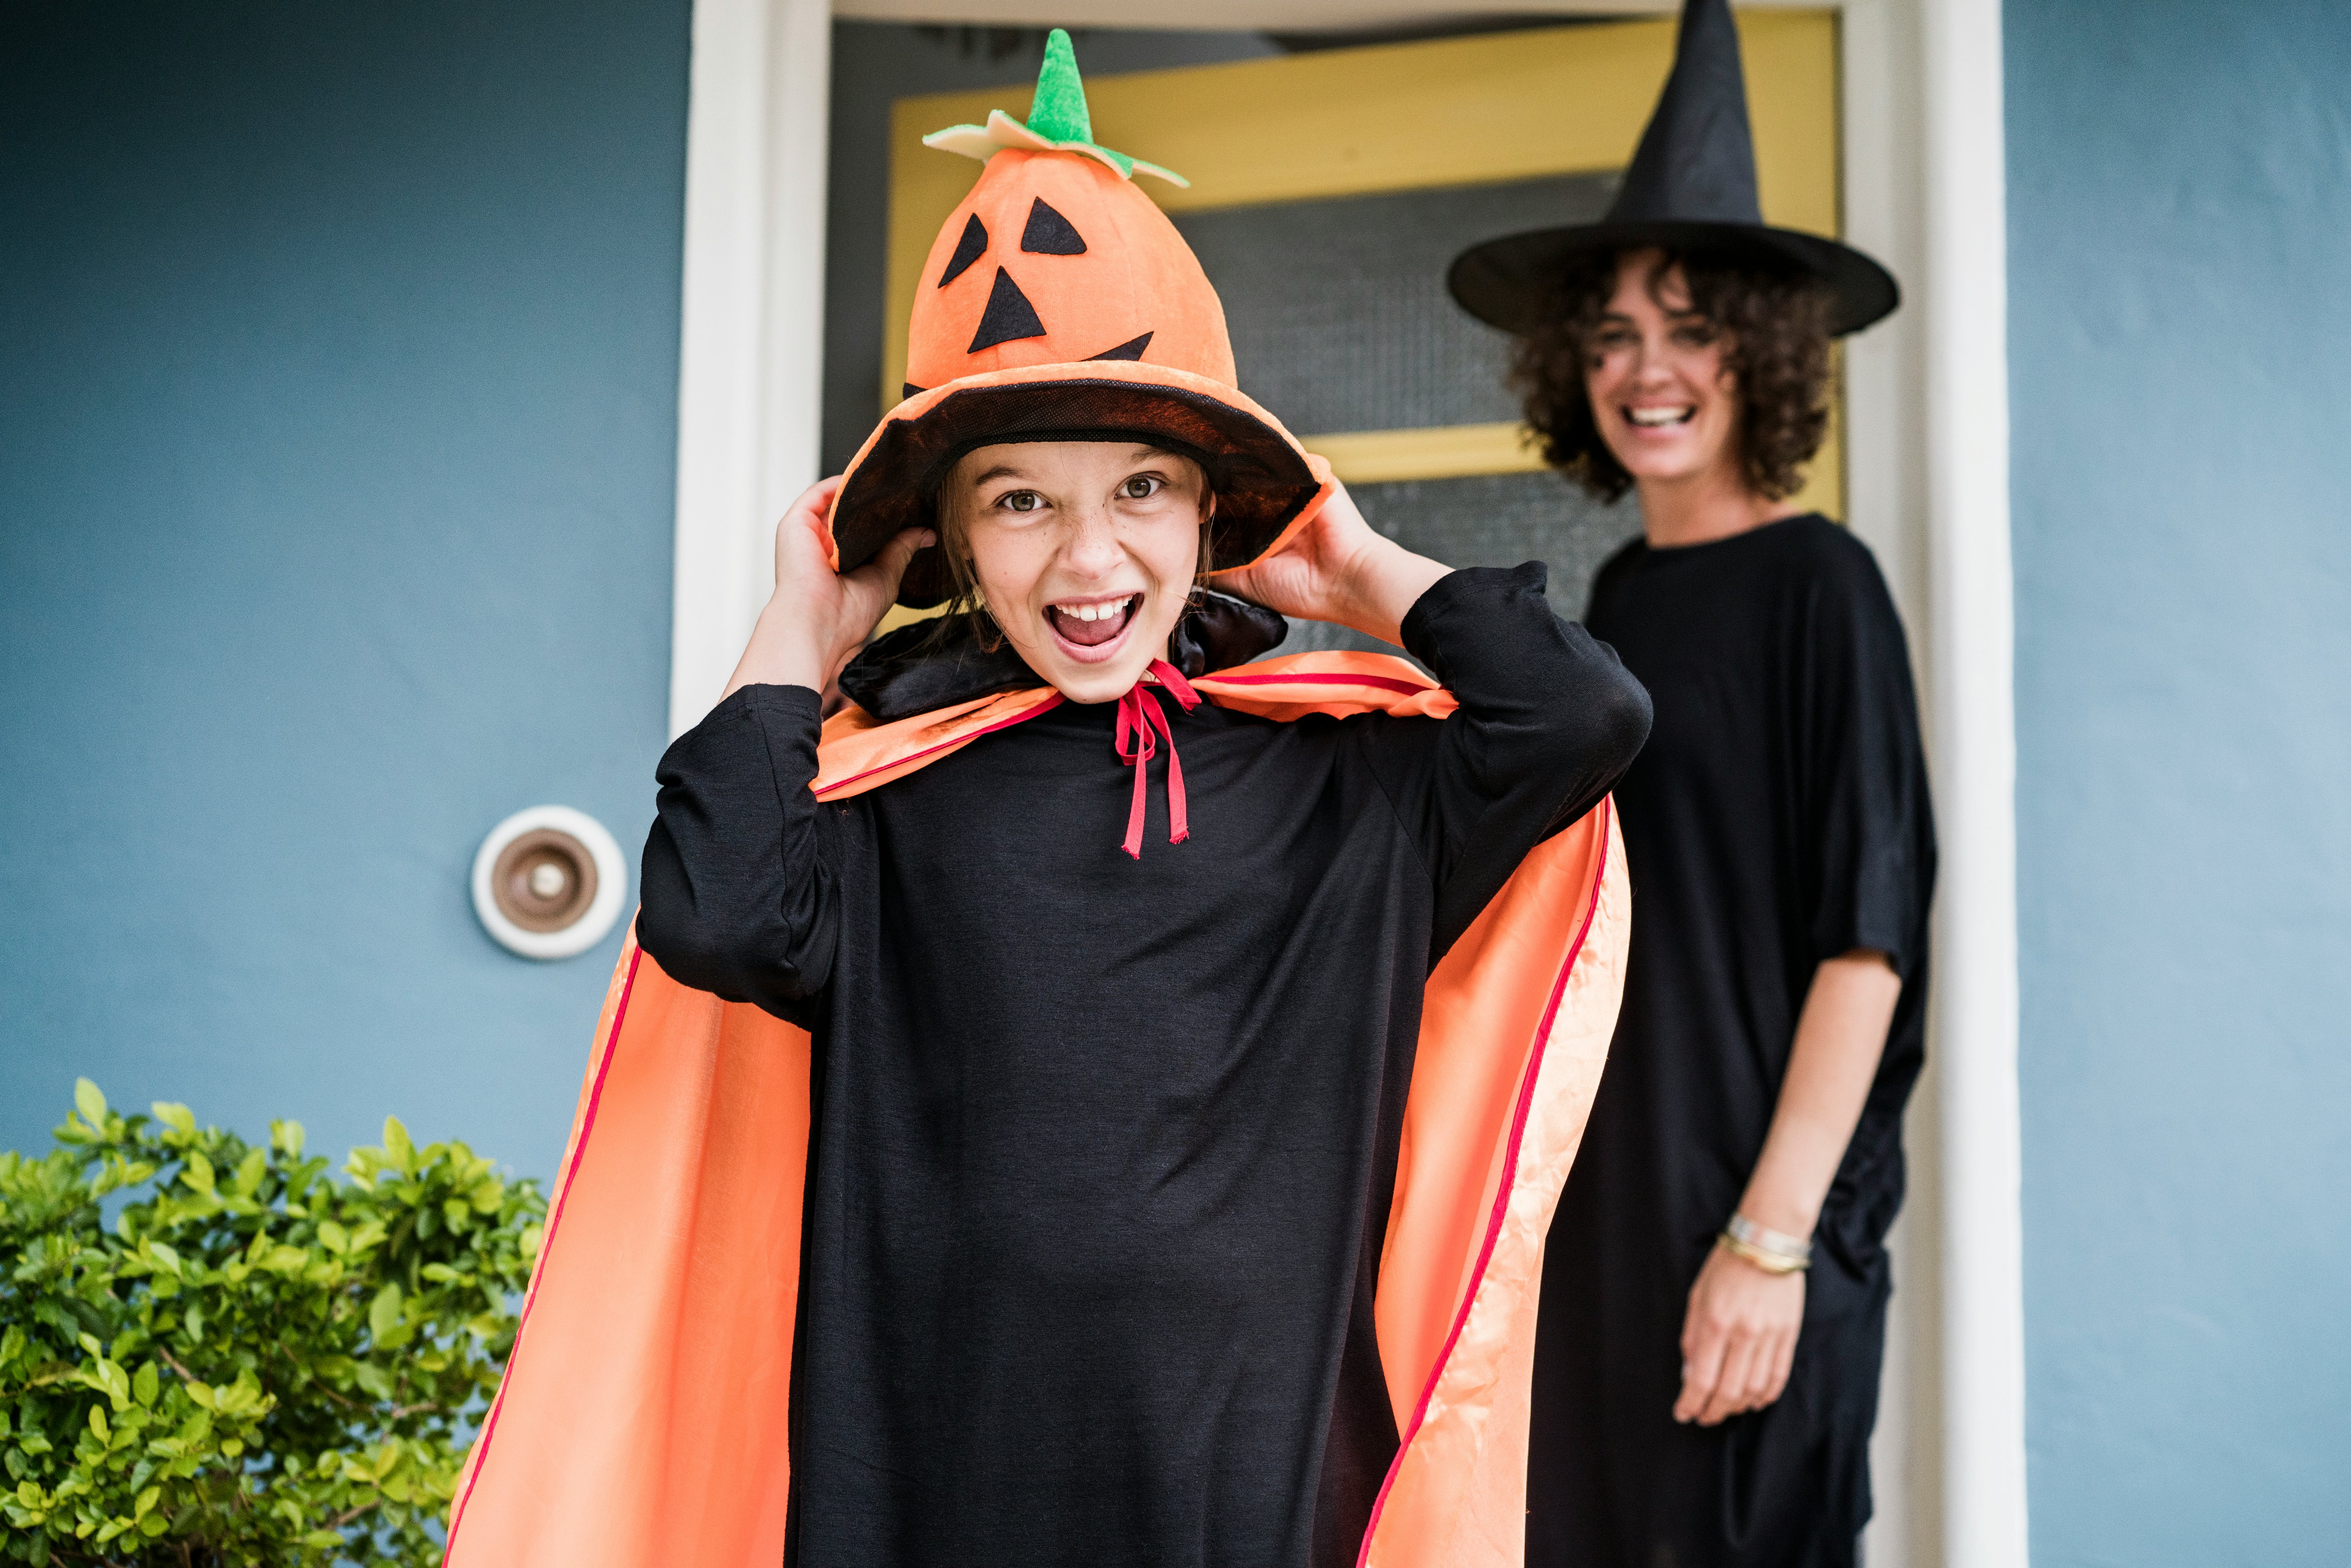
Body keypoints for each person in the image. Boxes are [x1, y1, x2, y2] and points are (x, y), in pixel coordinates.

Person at [443, 34, 1649, 1568]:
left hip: (1261, 1490)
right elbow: (716, 908)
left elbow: (1585, 711)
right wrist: (807, 633)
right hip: (942, 1488)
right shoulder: (891, 795)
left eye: (1140, 489)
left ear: (1211, 514)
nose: (1088, 562)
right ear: (946, 542)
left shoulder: (1347, 789)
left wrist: (1352, 571)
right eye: (1022, 501)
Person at [1450, 2, 1935, 1564]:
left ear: (1762, 351)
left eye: (1689, 328)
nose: (1645, 371)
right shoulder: (1620, 609)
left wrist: (1770, 1242)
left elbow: (1867, 946)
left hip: (1752, 1229)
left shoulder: (1823, 588)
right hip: (1608, 1228)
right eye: (1611, 335)